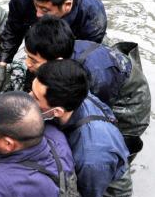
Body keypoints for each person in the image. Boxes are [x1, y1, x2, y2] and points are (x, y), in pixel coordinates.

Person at [24, 16, 150, 159]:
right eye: (27, 56)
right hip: (109, 71)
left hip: (129, 100)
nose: (27, 63)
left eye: (33, 60)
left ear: (57, 61)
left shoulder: (95, 77)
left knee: (106, 146)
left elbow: (93, 116)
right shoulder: (54, 50)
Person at [31, 59, 132, 197]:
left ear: (56, 111)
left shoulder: (92, 157)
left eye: (35, 97)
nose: (28, 98)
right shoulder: (76, 95)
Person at [0, 0, 107, 95]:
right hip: (43, 39)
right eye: (35, 6)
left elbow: (81, 59)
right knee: (30, 87)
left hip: (76, 42)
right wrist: (2, 63)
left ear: (67, 6)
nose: (38, 14)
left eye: (45, 10)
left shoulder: (92, 16)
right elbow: (13, 29)